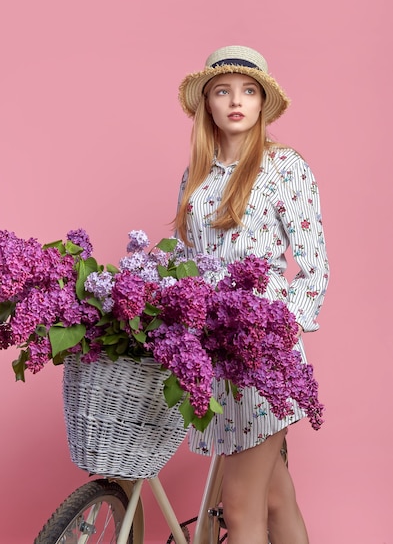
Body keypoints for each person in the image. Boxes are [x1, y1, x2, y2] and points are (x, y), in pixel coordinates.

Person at [174, 45, 330, 544]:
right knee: (276, 500)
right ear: (209, 105)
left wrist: (277, 327)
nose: (235, 101)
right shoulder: (195, 177)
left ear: (263, 103)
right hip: (212, 351)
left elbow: (314, 265)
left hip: (263, 353)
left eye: (248, 91)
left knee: (239, 510)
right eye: (223, 92)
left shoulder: (285, 167)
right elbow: (185, 261)